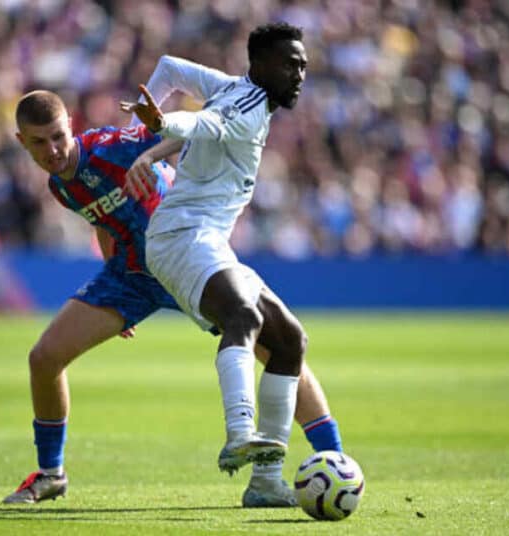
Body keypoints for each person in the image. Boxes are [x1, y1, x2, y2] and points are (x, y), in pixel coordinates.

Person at [4, 88, 343, 507]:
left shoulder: (112, 147)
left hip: (185, 257)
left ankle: (335, 458)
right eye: (39, 142)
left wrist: (151, 155)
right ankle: (52, 473)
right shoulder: (60, 184)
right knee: (44, 357)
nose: (52, 150)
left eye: (58, 136)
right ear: (22, 142)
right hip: (131, 277)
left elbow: (195, 130)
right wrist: (113, 291)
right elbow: (103, 218)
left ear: (70, 125)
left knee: (276, 347)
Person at [120, 22, 327, 506]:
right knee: (243, 315)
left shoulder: (232, 87)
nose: (300, 73)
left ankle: (266, 482)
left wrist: (144, 130)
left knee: (291, 341)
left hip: (207, 239)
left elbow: (170, 68)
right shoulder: (246, 108)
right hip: (180, 236)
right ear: (259, 65)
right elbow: (200, 124)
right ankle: (239, 433)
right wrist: (158, 126)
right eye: (290, 64)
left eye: (303, 65)